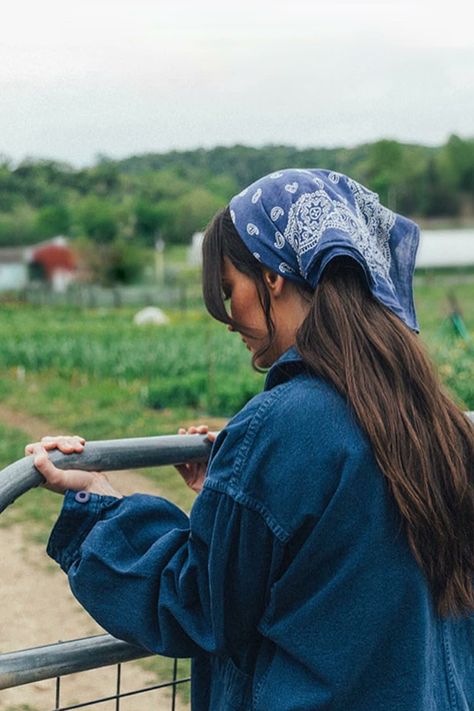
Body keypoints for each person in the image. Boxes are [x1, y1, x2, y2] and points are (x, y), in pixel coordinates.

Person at [27, 169, 474, 711]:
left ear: (273, 276)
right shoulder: (434, 417)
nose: (228, 317)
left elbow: (194, 603)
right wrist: (232, 489)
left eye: (228, 289)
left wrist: (98, 504)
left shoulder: (285, 424)